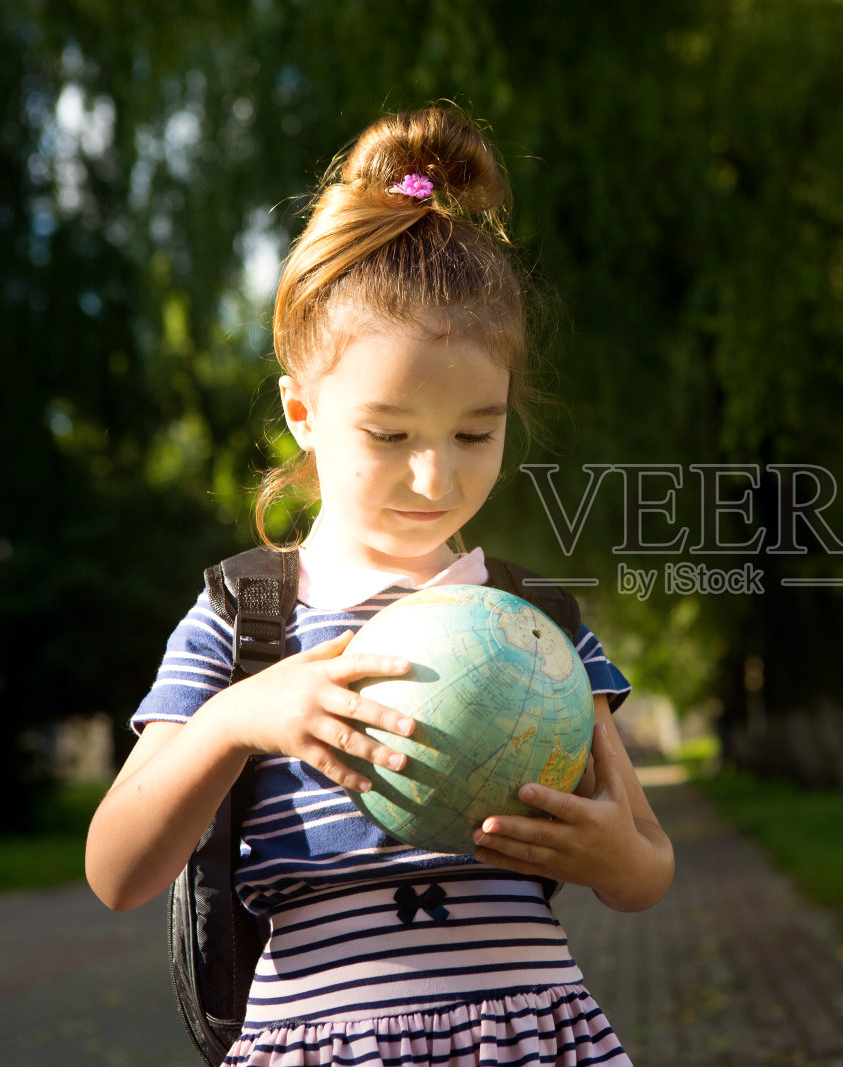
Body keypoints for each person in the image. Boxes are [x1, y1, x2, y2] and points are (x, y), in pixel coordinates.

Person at [85, 106, 673, 1067]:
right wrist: (239, 718)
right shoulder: (246, 624)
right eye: (390, 435)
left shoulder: (540, 622)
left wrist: (614, 858)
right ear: (303, 410)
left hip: (525, 1040)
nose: (435, 477)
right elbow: (115, 871)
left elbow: (647, 863)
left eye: (476, 433)